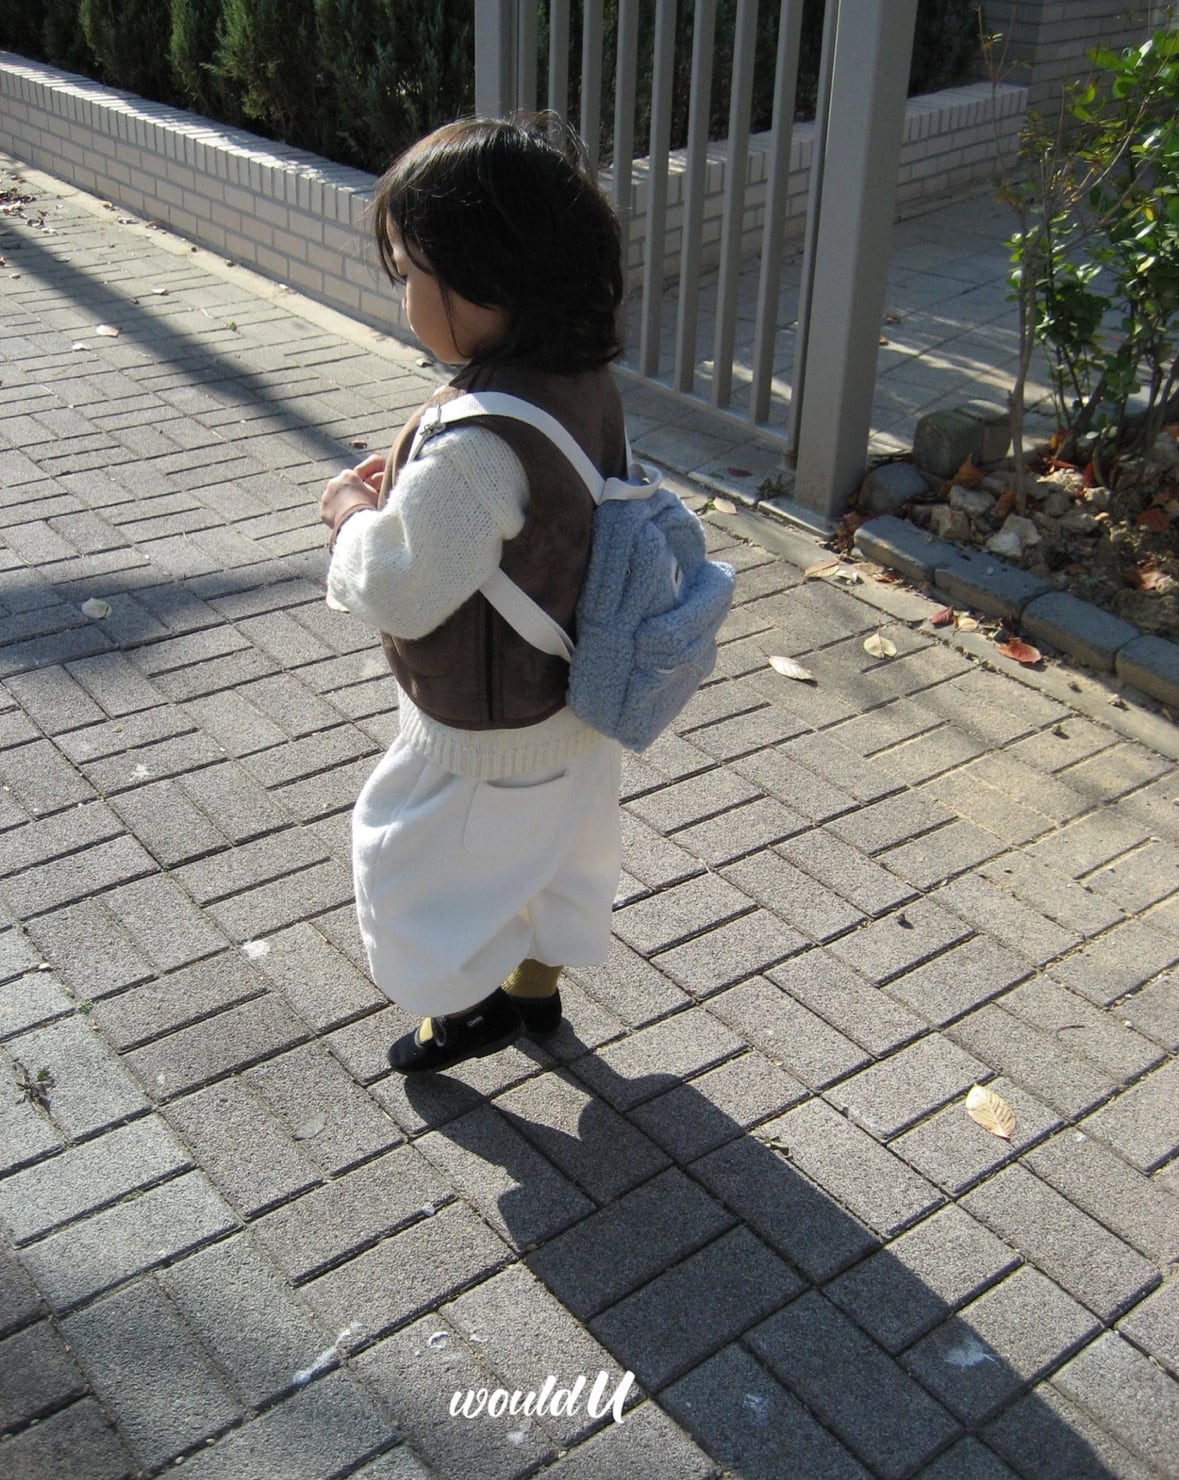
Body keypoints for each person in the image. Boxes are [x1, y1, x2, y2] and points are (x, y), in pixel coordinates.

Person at [319, 115, 627, 1075]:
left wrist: (348, 515)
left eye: (409, 271)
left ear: (486, 281)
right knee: (559, 860)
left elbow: (396, 589)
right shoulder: (576, 378)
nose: (404, 293)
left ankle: (467, 1007)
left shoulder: (477, 443)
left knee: (413, 878)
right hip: (576, 703)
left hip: (487, 737)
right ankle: (535, 993)